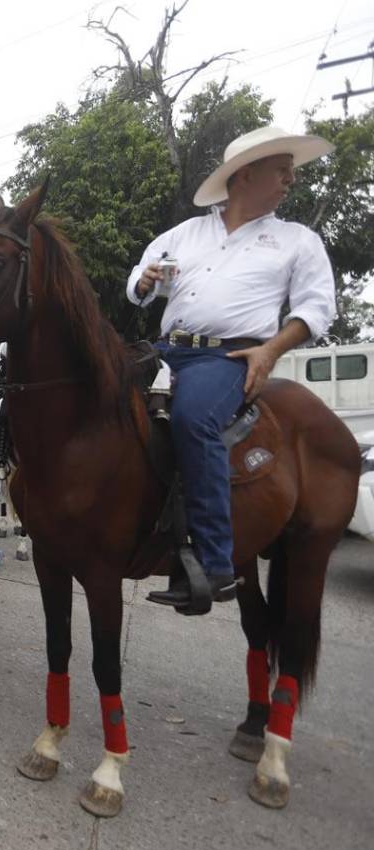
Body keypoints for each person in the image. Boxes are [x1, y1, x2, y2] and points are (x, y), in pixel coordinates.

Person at [126, 125, 336, 615]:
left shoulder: (296, 241)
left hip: (227, 357)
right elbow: (140, 283)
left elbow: (317, 307)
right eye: (282, 170)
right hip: (165, 348)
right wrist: (145, 282)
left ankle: (214, 563)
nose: (291, 180)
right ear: (245, 175)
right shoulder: (185, 233)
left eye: (290, 172)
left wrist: (271, 351)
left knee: (193, 417)